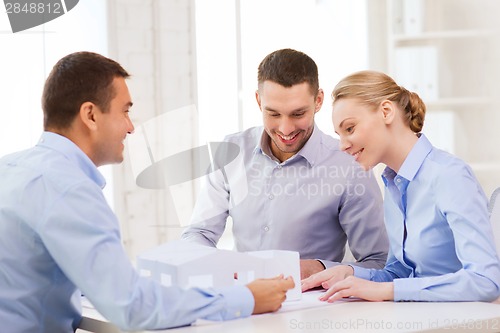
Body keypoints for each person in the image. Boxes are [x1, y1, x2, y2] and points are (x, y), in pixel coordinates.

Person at [0, 51, 294, 333]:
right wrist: (246, 298)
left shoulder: (10, 168)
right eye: (125, 111)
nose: (130, 127)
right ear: (90, 115)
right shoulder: (69, 189)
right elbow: (131, 306)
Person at [181, 48, 389, 279]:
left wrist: (319, 268)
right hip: (242, 300)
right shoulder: (231, 153)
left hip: (312, 305)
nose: (285, 129)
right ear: (259, 101)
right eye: (274, 114)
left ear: (318, 100)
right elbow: (199, 233)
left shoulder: (350, 165)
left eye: (298, 114)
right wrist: (213, 267)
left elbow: (379, 262)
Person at [301, 70, 500, 302]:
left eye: (350, 129)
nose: (343, 145)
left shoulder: (448, 175)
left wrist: (388, 291)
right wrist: (351, 273)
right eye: (339, 134)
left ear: (386, 112)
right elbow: (401, 273)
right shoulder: (393, 183)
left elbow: (486, 281)